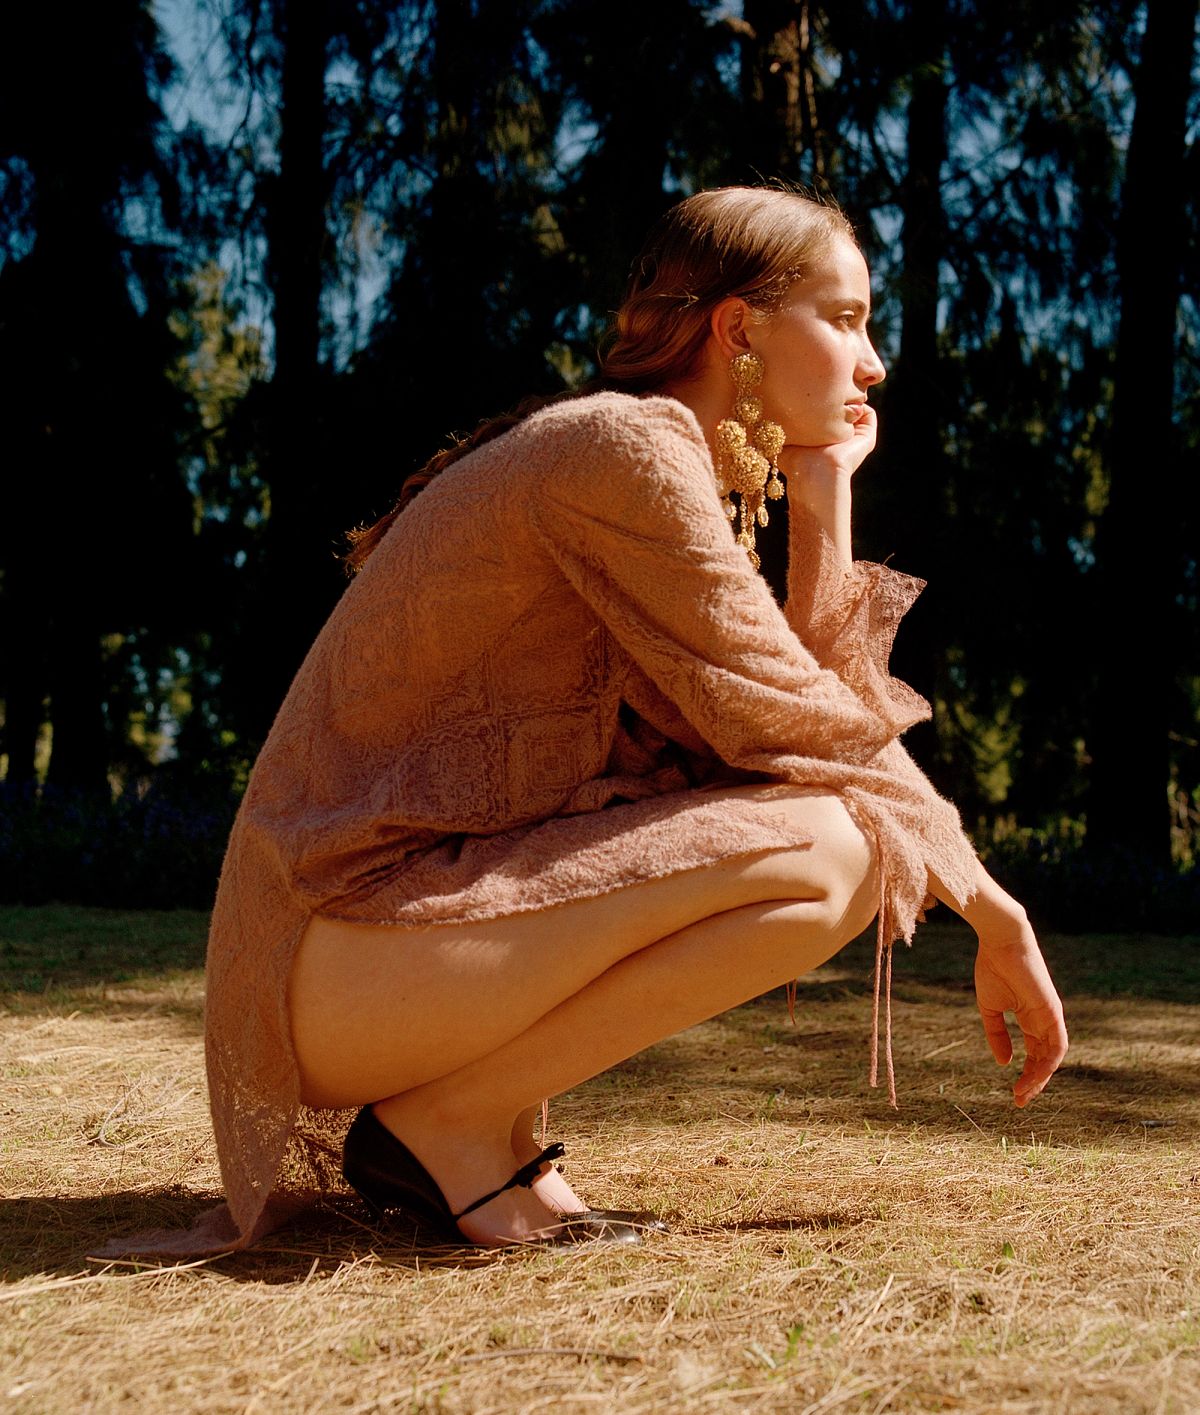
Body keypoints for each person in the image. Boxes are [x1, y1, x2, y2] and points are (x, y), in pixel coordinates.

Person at [149, 186, 1068, 1257]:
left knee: (840, 831)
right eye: (849, 317)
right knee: (841, 844)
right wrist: (996, 911)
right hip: (329, 951)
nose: (873, 364)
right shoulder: (622, 450)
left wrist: (821, 498)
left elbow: (799, 718)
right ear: (739, 327)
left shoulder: (639, 454)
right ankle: (442, 1125)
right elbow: (807, 729)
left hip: (368, 956)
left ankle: (468, 1128)